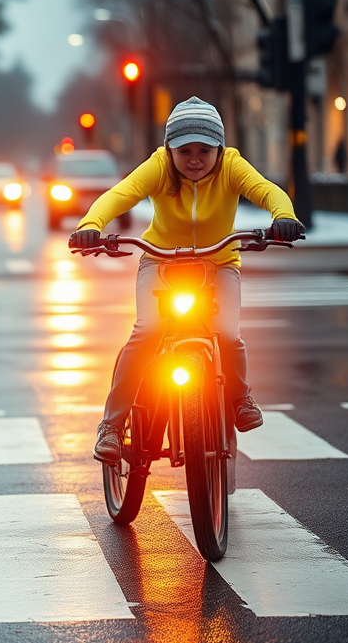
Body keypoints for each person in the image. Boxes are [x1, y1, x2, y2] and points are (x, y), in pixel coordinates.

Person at [68, 97, 305, 464]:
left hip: (219, 263)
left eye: (204, 150)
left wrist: (283, 215)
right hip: (160, 262)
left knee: (226, 333)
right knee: (147, 332)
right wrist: (91, 225)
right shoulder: (159, 166)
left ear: (219, 149)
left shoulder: (232, 165)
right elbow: (121, 194)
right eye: (184, 150)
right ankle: (112, 426)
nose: (195, 158)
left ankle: (240, 397)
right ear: (169, 150)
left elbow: (267, 190)